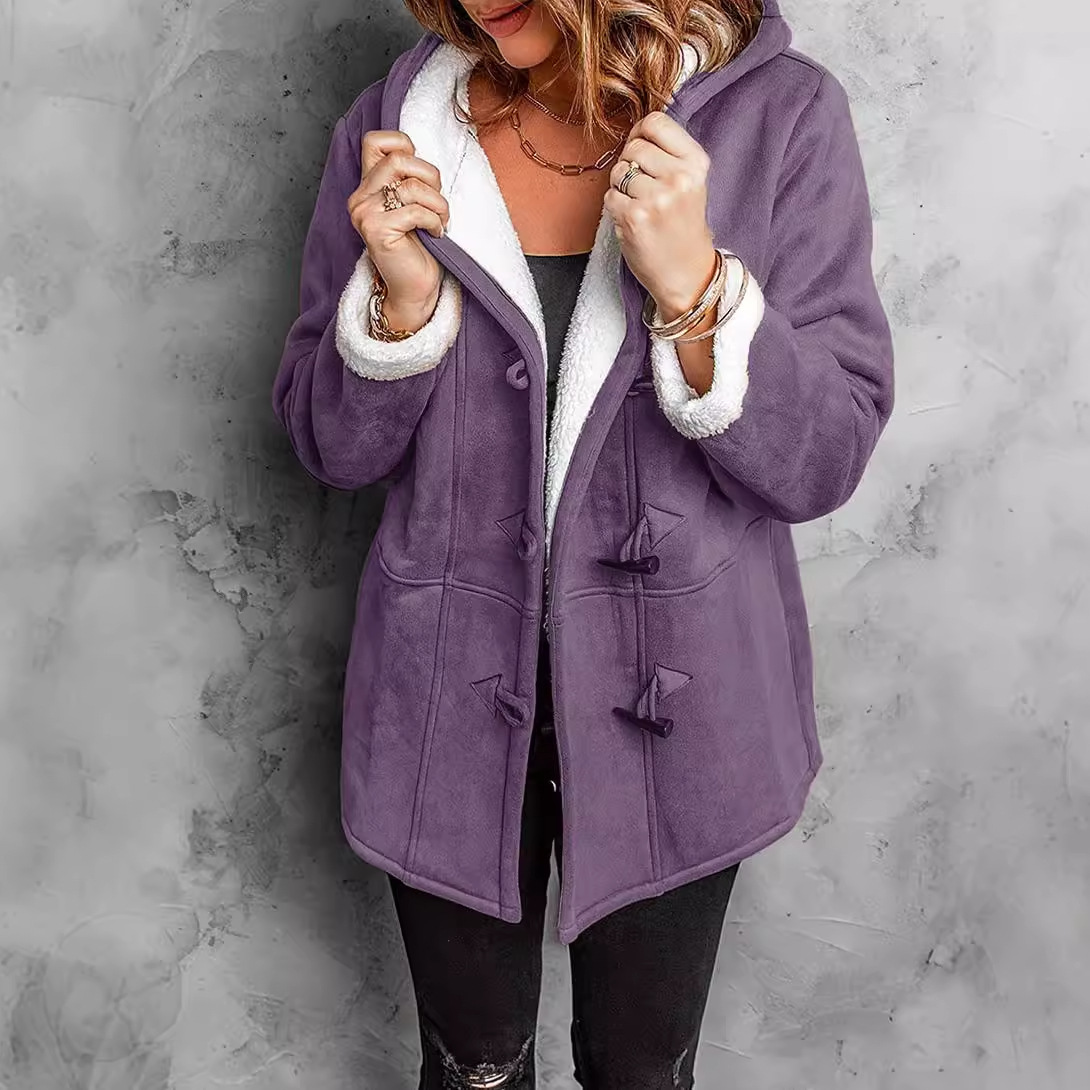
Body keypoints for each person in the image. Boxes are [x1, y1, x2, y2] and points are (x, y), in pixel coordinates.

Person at [272, 0, 895, 1085]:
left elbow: (822, 460)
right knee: (470, 1070)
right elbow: (331, 447)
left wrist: (697, 291)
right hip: (440, 706)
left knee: (640, 1072)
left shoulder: (785, 119)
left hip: (686, 711)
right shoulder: (396, 126)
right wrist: (400, 306)